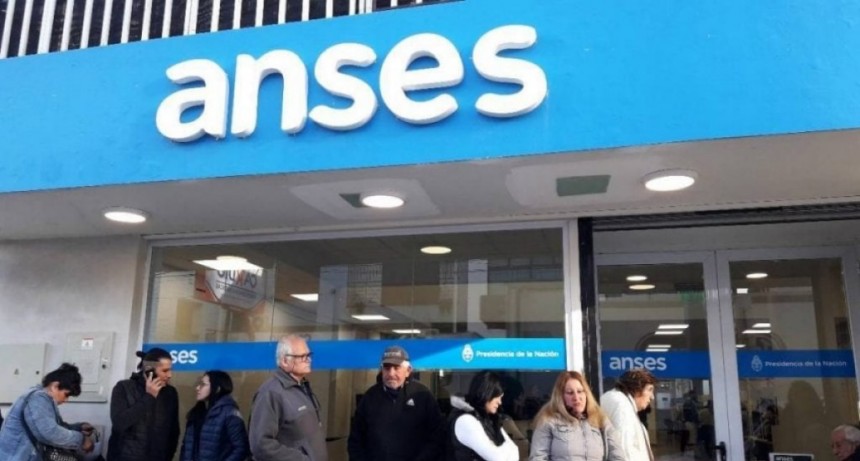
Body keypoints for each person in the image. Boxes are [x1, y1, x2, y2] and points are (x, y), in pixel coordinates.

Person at [347, 345, 444, 461]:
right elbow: (356, 441)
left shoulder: (423, 396)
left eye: (396, 367)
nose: (391, 373)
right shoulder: (369, 398)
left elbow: (438, 437)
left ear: (408, 371)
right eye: (387, 368)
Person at [249, 334, 327, 461]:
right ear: (285, 361)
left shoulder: (302, 387)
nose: (308, 360)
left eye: (309, 355)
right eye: (302, 356)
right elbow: (261, 445)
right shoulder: (271, 393)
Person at [0, 363, 96, 461]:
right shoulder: (38, 398)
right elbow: (49, 433)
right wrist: (81, 440)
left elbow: (57, 426)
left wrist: (79, 427)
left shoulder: (45, 400)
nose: (66, 400)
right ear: (55, 386)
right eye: (66, 394)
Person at [530, 371, 624, 461]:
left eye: (580, 391)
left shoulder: (600, 420)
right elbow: (538, 457)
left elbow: (618, 456)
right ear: (560, 396)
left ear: (586, 394)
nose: (576, 398)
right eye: (570, 393)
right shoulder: (548, 421)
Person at [108, 347, 180, 461]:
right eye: (165, 371)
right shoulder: (123, 387)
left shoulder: (170, 393)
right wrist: (149, 397)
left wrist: (167, 457)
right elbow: (119, 424)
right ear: (149, 371)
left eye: (170, 370)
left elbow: (173, 431)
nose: (169, 375)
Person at [448, 370, 519, 461]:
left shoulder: (489, 419)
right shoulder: (466, 420)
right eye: (497, 397)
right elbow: (498, 458)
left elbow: (515, 452)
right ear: (487, 393)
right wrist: (507, 452)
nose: (500, 402)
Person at [179, 370, 250, 461]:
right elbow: (186, 446)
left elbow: (241, 448)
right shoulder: (197, 412)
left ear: (217, 389)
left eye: (203, 384)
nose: (197, 388)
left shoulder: (230, 413)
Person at [599, 369, 657, 461]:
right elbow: (623, 451)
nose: (652, 397)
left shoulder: (619, 401)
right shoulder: (622, 406)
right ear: (637, 389)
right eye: (649, 390)